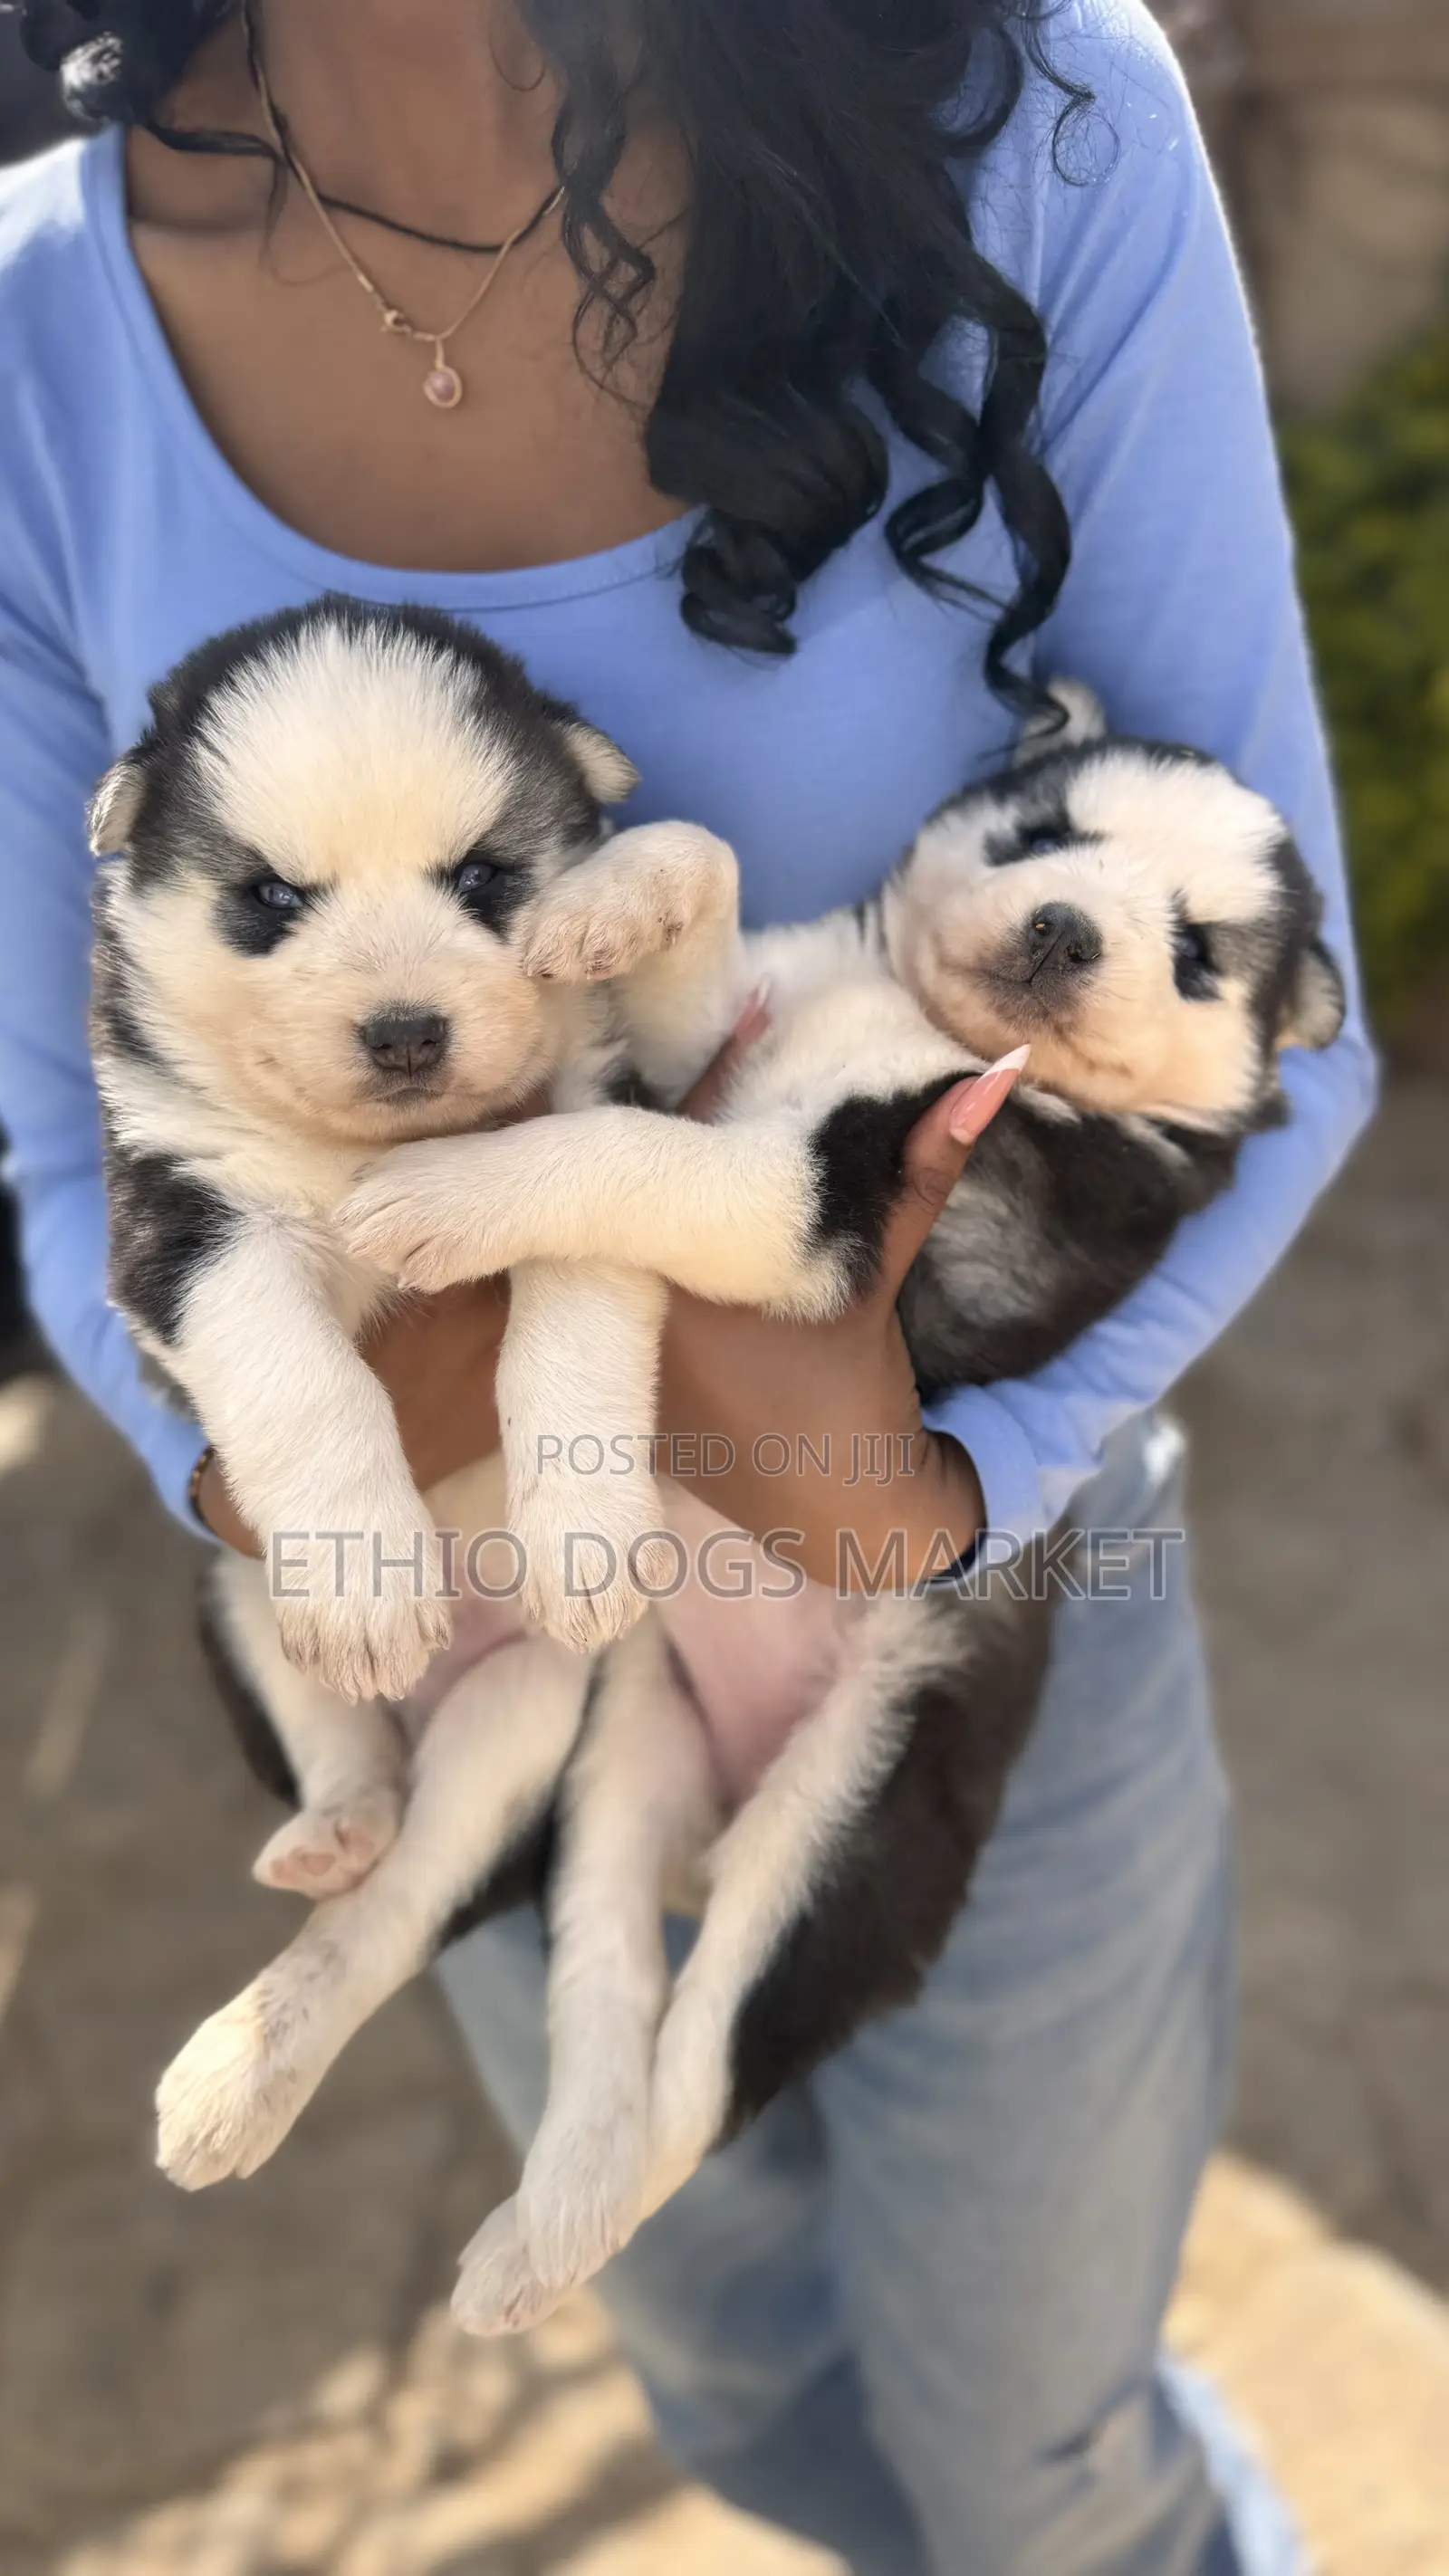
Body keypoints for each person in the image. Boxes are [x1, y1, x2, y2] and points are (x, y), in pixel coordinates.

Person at [0, 4, 1374, 2570]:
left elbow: (1286, 1026)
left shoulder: (1035, 112)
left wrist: (941, 1483)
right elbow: (78, 1174)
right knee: (742, 2379)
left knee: (1042, 2458)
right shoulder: (42, 327)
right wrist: (316, 1455)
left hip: (993, 1594)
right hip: (495, 1610)